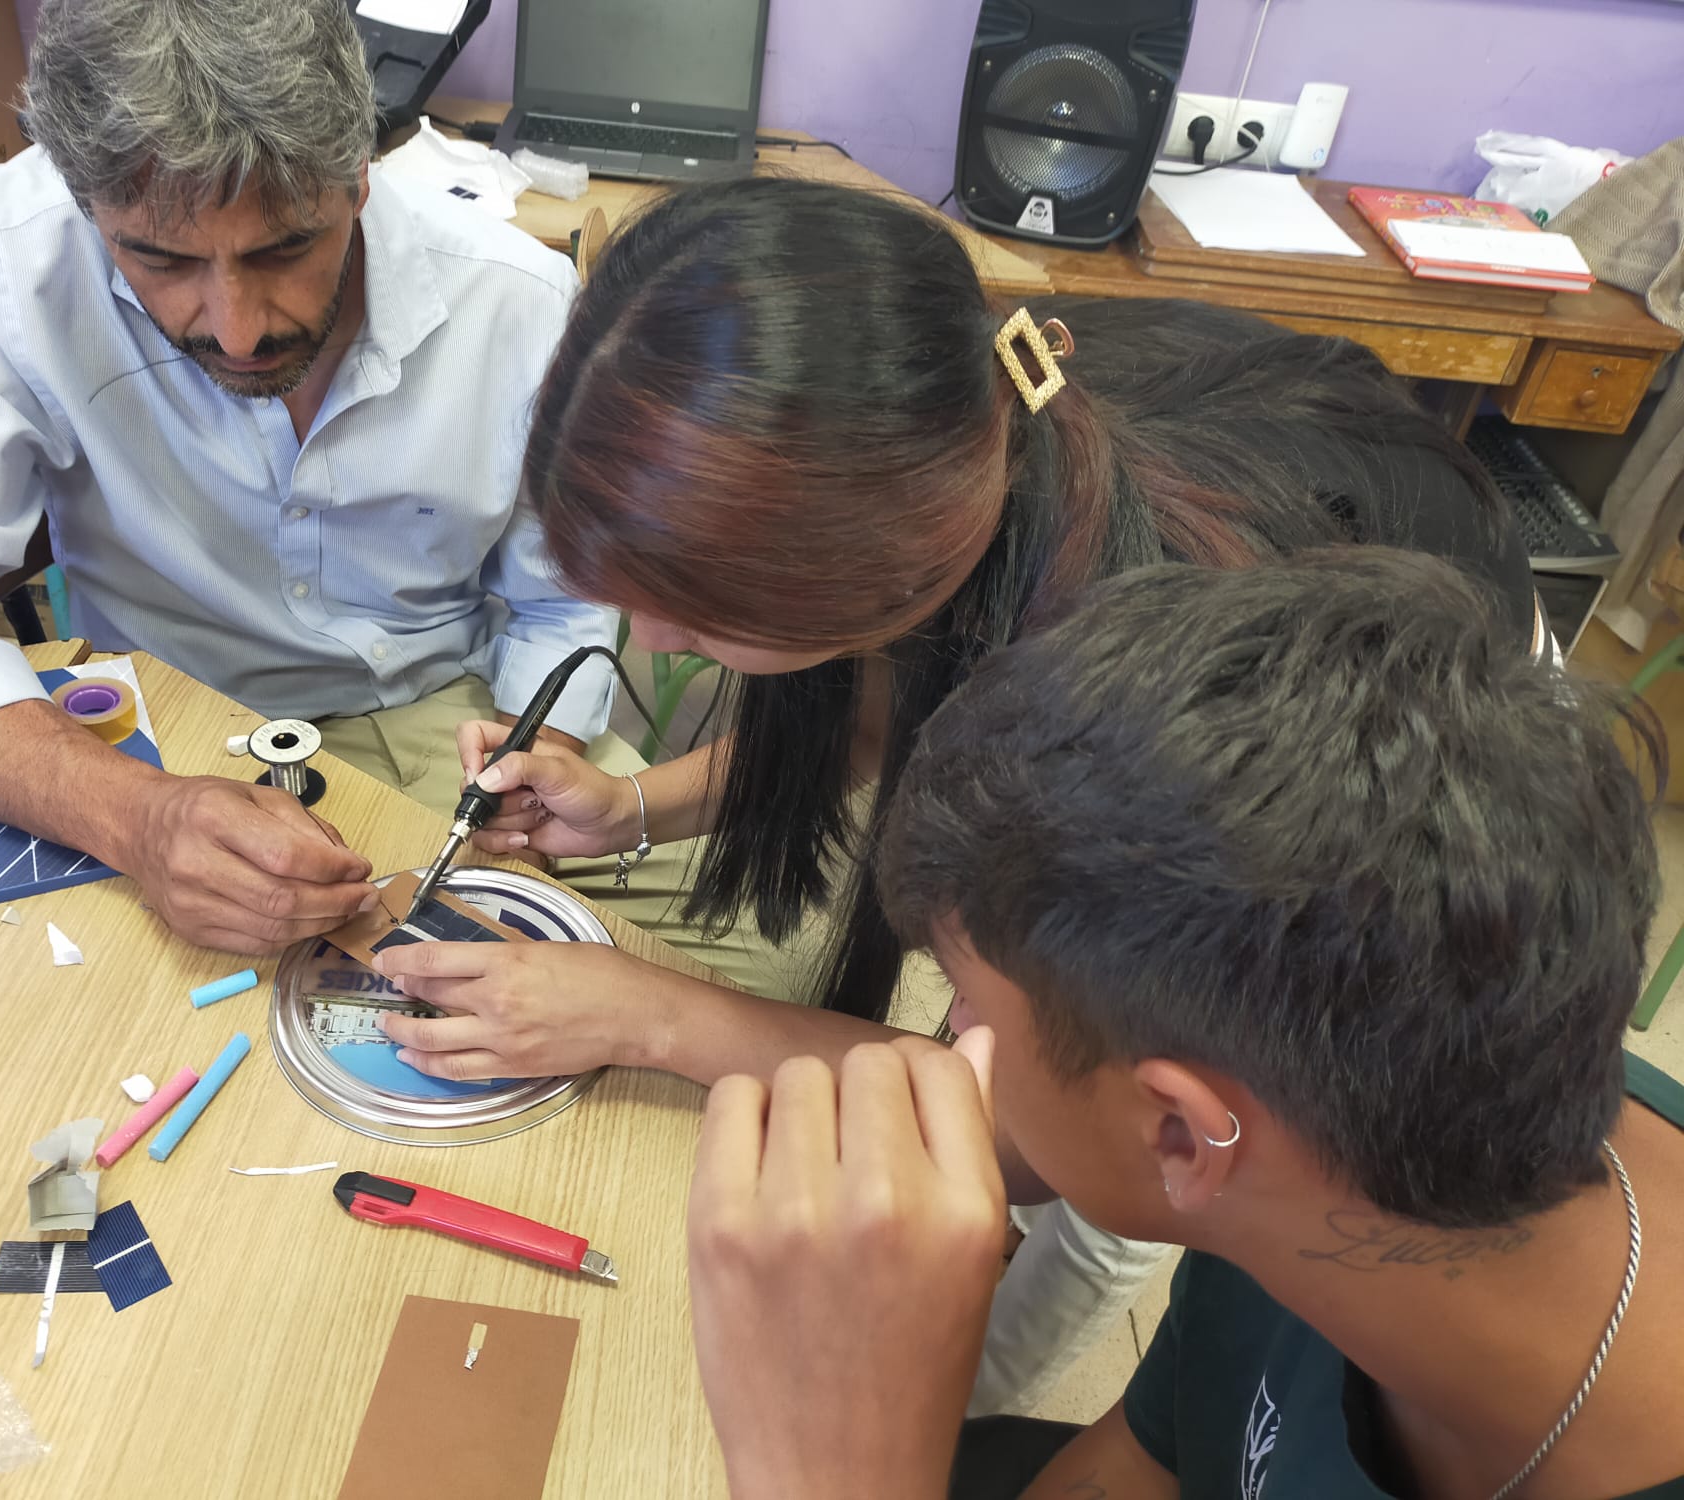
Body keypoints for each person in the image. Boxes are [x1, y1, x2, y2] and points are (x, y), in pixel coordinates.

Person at [365, 176, 1541, 1411]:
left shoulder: (1131, 734)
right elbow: (878, 685)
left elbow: (1021, 1129)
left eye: (699, 612)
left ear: (863, 577)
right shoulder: (954, 424)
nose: (649, 643)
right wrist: (636, 808)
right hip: (1286, 543)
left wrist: (642, 1017)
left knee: (1051, 1257)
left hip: (1382, 723)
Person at [685, 549, 1684, 1500]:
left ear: (1177, 1130)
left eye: (968, 1004)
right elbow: (1148, 1466)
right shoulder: (1325, 1117)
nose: (952, 1039)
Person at [0, 0, 619, 956]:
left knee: (698, 961)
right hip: (165, 726)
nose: (239, 330)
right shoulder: (4, 256)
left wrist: (532, 774)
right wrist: (135, 815)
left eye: (285, 247)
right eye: (158, 259)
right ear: (87, 209)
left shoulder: (517, 303)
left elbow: (562, 603)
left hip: (449, 716)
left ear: (360, 177)